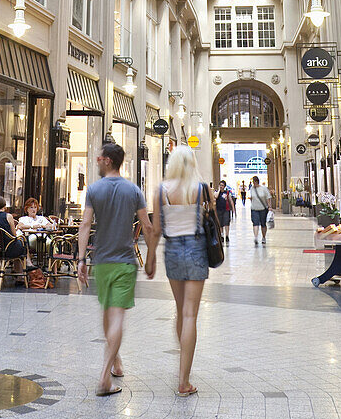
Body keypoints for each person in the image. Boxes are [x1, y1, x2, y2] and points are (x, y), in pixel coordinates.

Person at [78, 141, 154, 398]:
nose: (97, 161)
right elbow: (147, 226)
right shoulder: (133, 191)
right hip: (123, 262)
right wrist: (152, 255)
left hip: (101, 262)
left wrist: (80, 260)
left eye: (99, 158)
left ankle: (116, 361)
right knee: (117, 316)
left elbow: (86, 224)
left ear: (108, 160)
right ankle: (104, 377)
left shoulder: (93, 190)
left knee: (108, 312)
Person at [145, 145, 211, 398]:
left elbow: (156, 229)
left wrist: (150, 259)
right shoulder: (202, 189)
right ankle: (184, 379)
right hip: (196, 250)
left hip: (172, 250)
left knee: (179, 308)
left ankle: (183, 366)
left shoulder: (161, 190)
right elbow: (211, 220)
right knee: (190, 314)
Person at [0, 196, 33, 281]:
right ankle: (23, 271)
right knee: (22, 242)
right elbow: (14, 234)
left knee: (19, 244)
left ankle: (20, 274)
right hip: (8, 248)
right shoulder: (8, 216)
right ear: (4, 205)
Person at [249, 175, 271, 245]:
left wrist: (269, 207)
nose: (254, 183)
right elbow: (251, 198)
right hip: (254, 209)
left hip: (263, 209)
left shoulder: (264, 189)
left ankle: (263, 237)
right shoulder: (252, 189)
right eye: (253, 182)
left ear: (257, 182)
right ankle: (255, 237)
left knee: (263, 224)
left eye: (254, 182)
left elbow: (268, 198)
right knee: (255, 223)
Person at [216, 180, 234, 245]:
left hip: (226, 209)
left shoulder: (227, 193)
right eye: (220, 185)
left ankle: (227, 235)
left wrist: (233, 208)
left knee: (226, 223)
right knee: (220, 224)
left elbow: (230, 200)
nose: (221, 187)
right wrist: (218, 190)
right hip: (219, 209)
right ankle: (222, 235)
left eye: (222, 185)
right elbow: (215, 196)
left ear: (224, 186)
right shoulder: (217, 192)